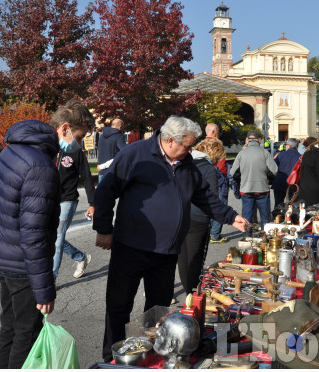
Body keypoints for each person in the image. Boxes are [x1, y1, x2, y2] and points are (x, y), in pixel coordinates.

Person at [92, 116, 249, 362]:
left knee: (158, 309)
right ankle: (112, 359)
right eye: (187, 145)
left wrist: (231, 217)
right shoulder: (136, 154)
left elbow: (205, 197)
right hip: (131, 247)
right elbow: (105, 191)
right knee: (118, 306)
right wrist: (103, 228)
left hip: (166, 252)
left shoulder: (186, 162)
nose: (191, 150)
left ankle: (151, 354)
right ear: (171, 140)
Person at [0, 100, 94, 368]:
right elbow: (35, 233)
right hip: (22, 264)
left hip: (3, 256)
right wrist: (45, 291)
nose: (79, 145)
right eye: (79, 137)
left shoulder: (15, 150)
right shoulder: (41, 166)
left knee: (9, 327)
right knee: (27, 333)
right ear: (65, 128)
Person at [177, 138, 226, 293]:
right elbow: (212, 197)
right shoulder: (208, 169)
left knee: (183, 258)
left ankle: (187, 292)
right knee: (195, 259)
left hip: (181, 215)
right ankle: (192, 294)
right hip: (198, 219)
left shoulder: (185, 164)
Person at [52, 125, 96, 280]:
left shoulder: (77, 153)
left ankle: (51, 280)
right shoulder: (51, 148)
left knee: (57, 240)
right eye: (79, 136)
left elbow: (86, 178)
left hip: (68, 200)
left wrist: (92, 203)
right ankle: (80, 257)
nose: (80, 140)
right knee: (51, 237)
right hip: (50, 199)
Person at [230, 130, 278, 229]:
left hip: (246, 189)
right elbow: (274, 170)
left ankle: (247, 238)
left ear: (247, 140)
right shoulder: (265, 153)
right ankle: (266, 239)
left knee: (247, 217)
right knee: (265, 218)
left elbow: (233, 173)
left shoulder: (241, 153)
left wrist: (242, 178)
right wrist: (267, 179)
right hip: (262, 189)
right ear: (259, 140)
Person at [205, 123, 228, 242]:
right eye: (218, 131)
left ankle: (206, 232)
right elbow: (222, 165)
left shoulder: (200, 145)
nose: (218, 134)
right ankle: (214, 234)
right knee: (220, 205)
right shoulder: (218, 145)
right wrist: (224, 176)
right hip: (217, 179)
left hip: (204, 180)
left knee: (206, 205)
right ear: (214, 132)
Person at [271, 138, 301, 207]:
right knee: (292, 206)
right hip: (293, 184)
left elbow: (274, 167)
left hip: (280, 182)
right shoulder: (300, 156)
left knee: (278, 205)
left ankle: (277, 217)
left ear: (288, 146)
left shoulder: (281, 155)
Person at [97, 118, 126, 182]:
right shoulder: (118, 136)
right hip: (113, 172)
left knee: (102, 191)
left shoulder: (101, 136)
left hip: (101, 172)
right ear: (120, 127)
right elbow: (125, 151)